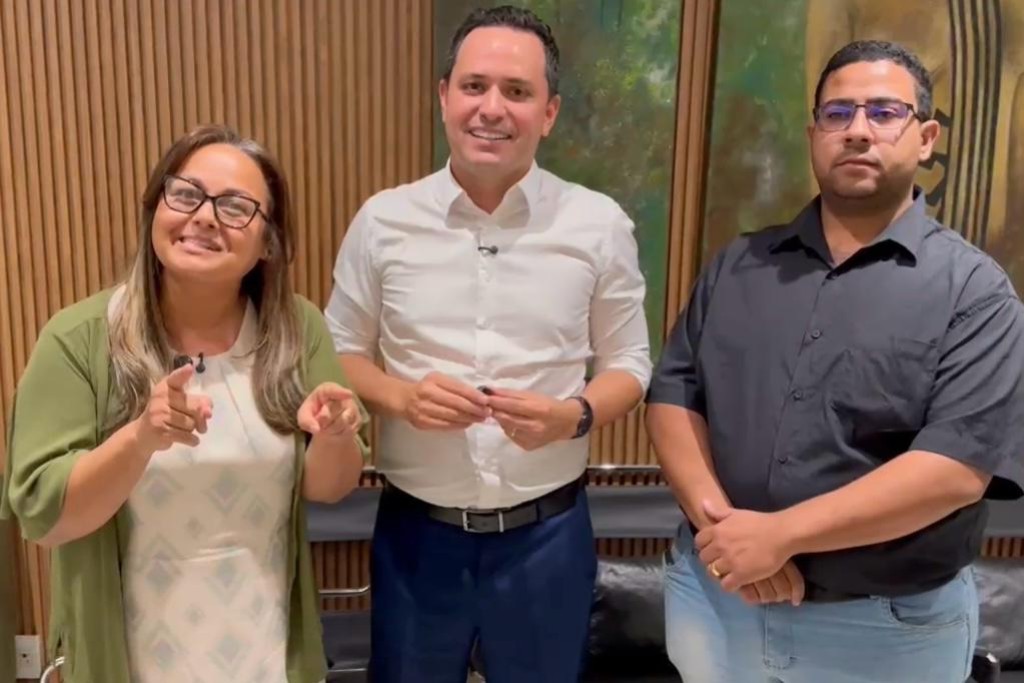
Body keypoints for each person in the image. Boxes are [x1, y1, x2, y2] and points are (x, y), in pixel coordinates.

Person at [647, 40, 1024, 683]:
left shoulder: (976, 292)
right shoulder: (738, 265)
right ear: (814, 135)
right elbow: (673, 396)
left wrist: (780, 537)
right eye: (838, 113)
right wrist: (727, 536)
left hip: (886, 630)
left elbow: (955, 468)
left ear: (926, 138)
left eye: (884, 112)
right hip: (716, 602)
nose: (857, 130)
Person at [325, 5, 651, 682]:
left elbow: (630, 362)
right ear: (444, 95)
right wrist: (401, 399)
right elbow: (340, 352)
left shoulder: (598, 225)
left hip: (547, 537)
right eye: (474, 86)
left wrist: (575, 416)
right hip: (417, 536)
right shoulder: (383, 221)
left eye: (517, 91)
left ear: (549, 112)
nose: (492, 108)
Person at [1, 125, 367, 683]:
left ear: (268, 242)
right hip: (129, 662)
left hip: (268, 656)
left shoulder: (297, 329)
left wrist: (336, 434)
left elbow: (329, 487)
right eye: (186, 194)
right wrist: (138, 439)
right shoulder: (78, 339)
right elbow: (43, 519)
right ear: (155, 208)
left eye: (235, 206)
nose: (204, 217)